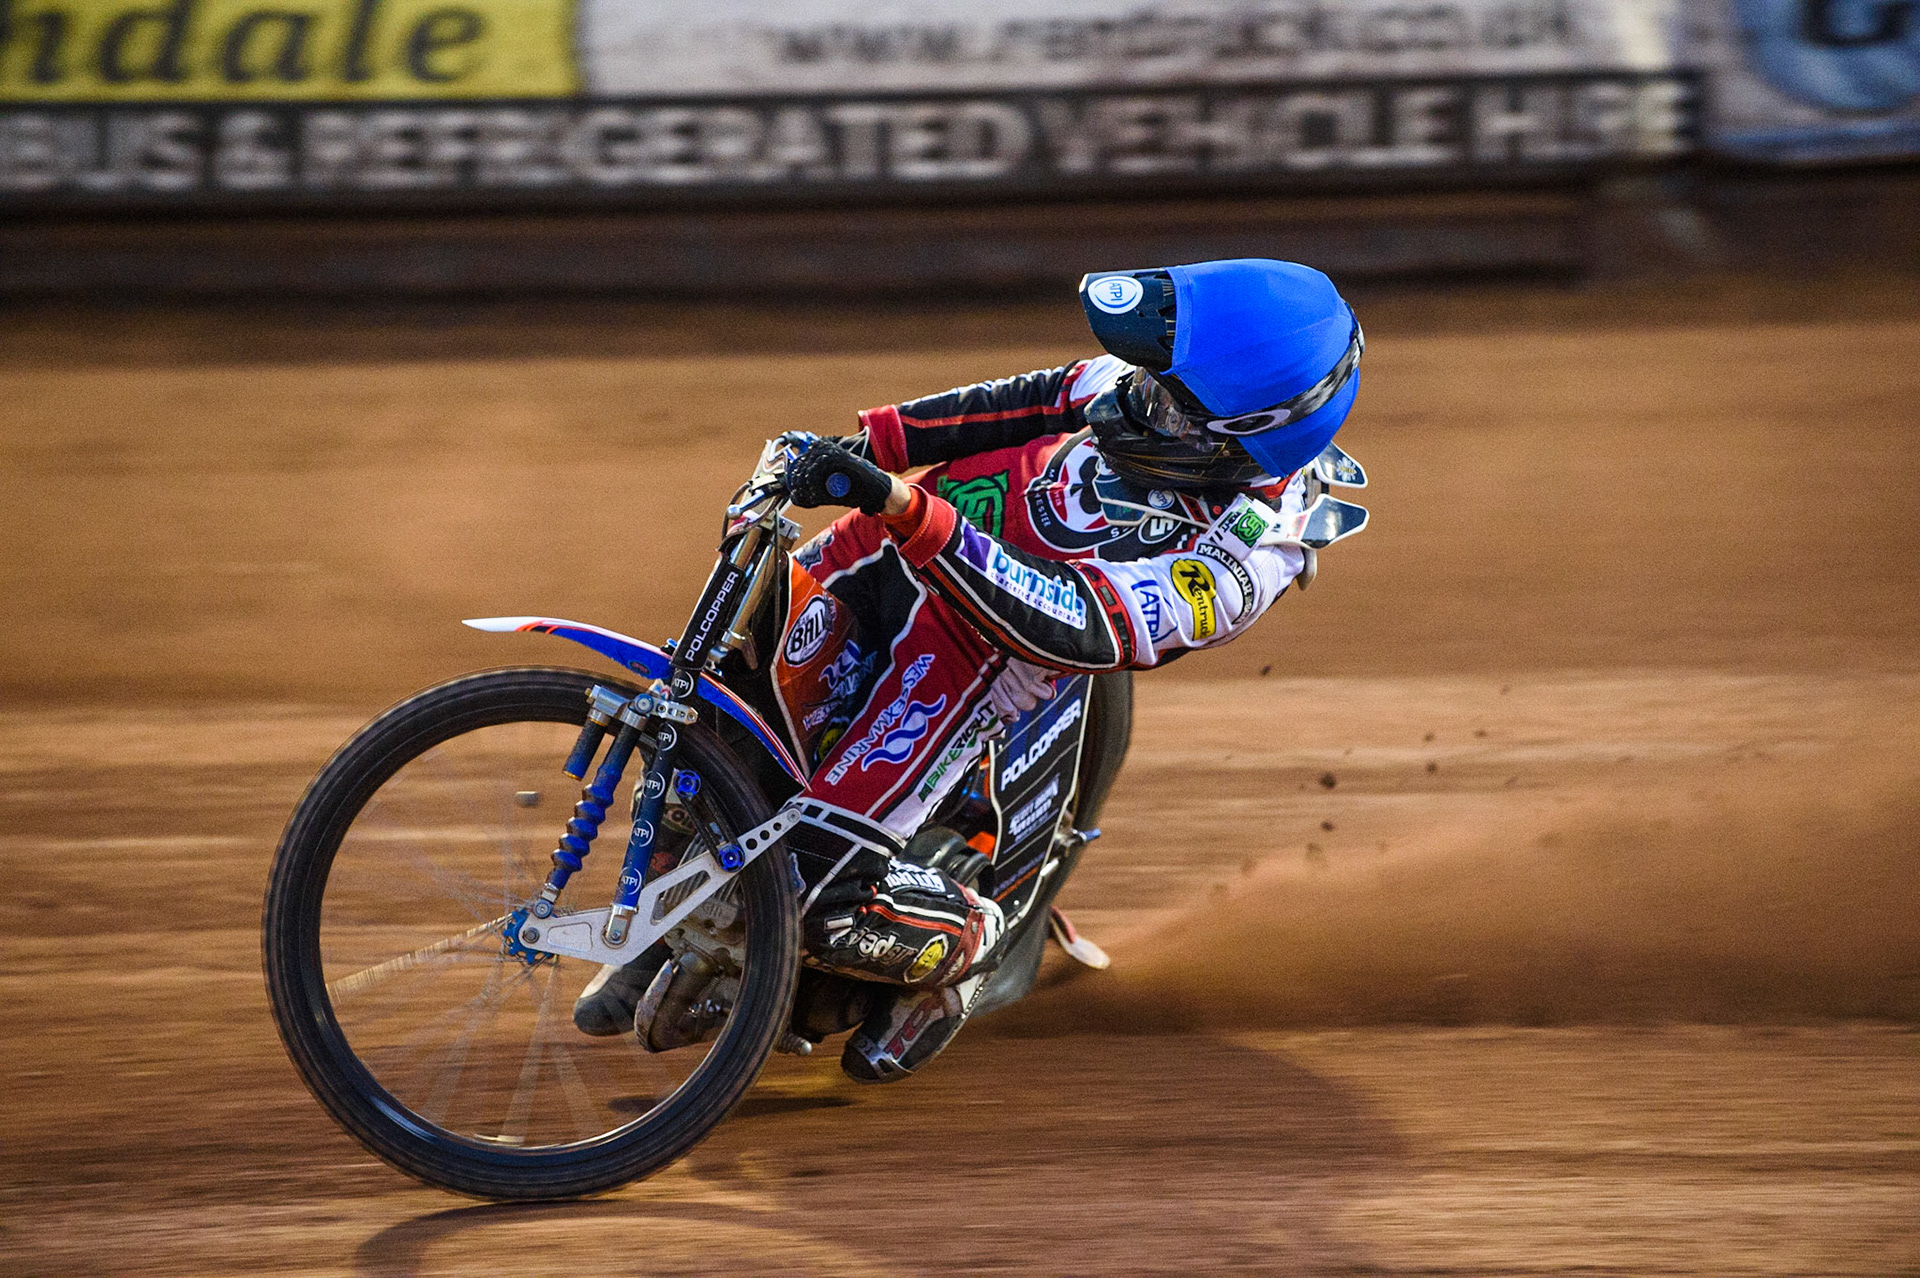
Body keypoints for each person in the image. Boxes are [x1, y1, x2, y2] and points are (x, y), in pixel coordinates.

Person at [576, 258, 1364, 1082]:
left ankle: (980, 942)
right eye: (1150, 377)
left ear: (1245, 435)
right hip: (883, 552)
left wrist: (911, 510)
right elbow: (1024, 401)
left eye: (1169, 402)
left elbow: (1081, 624)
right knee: (703, 708)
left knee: (816, 895)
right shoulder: (1167, 386)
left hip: (972, 660)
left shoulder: (1243, 561)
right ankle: (662, 919)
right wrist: (865, 451)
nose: (1135, 399)